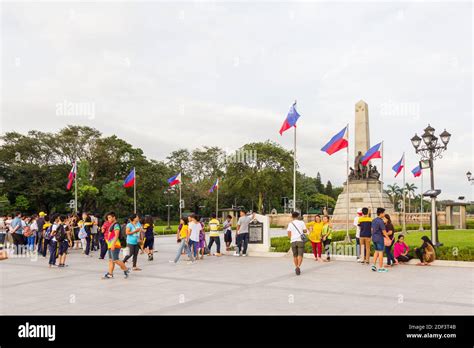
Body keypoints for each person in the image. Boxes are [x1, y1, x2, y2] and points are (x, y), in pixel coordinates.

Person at [103, 212, 130, 279]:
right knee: (111, 260)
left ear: (114, 217)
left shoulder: (116, 225)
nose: (108, 219)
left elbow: (116, 235)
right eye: (108, 218)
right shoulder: (112, 224)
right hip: (110, 244)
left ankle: (126, 269)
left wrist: (113, 244)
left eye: (109, 217)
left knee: (115, 260)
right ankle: (110, 274)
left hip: (115, 244)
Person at [287, 211, 308, 276]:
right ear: (298, 216)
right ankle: (298, 266)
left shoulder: (290, 224)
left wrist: (292, 238)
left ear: (292, 216)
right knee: (300, 255)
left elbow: (289, 234)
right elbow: (305, 231)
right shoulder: (301, 222)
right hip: (300, 241)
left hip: (293, 241)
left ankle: (296, 267)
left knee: (295, 255)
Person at [371, 208, 388, 273]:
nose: (384, 214)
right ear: (381, 213)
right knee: (381, 253)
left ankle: (373, 265)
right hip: (379, 238)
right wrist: (388, 238)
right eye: (384, 213)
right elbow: (384, 231)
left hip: (374, 238)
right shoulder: (381, 221)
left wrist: (385, 223)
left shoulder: (374, 220)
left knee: (376, 252)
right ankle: (381, 268)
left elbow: (372, 229)